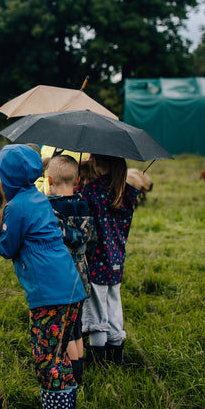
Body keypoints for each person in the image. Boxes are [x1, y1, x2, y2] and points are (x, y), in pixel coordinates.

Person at [0, 144, 87, 409]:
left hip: (49, 295)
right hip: (71, 287)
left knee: (47, 362)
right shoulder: (36, 196)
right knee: (58, 356)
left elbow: (7, 247)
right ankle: (67, 403)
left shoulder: (17, 206)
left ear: (6, 176)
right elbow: (25, 230)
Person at [79, 153, 139, 366]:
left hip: (95, 262)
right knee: (114, 308)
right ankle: (117, 357)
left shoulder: (92, 192)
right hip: (116, 262)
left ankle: (99, 363)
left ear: (95, 162)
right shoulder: (126, 193)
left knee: (96, 313)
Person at [45, 154, 96, 385]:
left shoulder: (50, 208)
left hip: (62, 276)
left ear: (49, 180)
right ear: (77, 180)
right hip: (83, 275)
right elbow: (90, 239)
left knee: (65, 331)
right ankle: (80, 374)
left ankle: (71, 378)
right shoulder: (85, 204)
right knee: (77, 328)